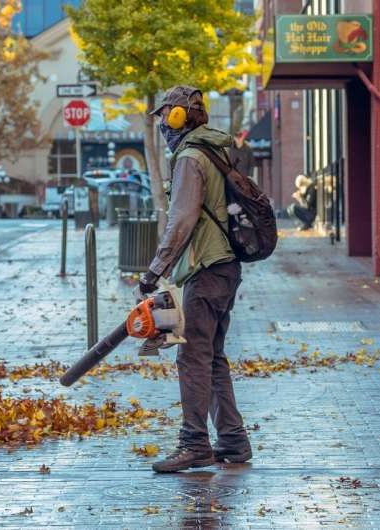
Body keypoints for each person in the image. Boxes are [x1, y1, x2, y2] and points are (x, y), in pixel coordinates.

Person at [139, 85, 251, 473]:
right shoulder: (215, 148)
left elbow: (182, 218)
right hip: (226, 267)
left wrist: (156, 268)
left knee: (192, 357)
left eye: (165, 116)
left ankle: (194, 444)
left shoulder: (190, 156)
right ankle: (233, 440)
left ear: (178, 116)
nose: (162, 127)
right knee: (212, 354)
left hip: (207, 268)